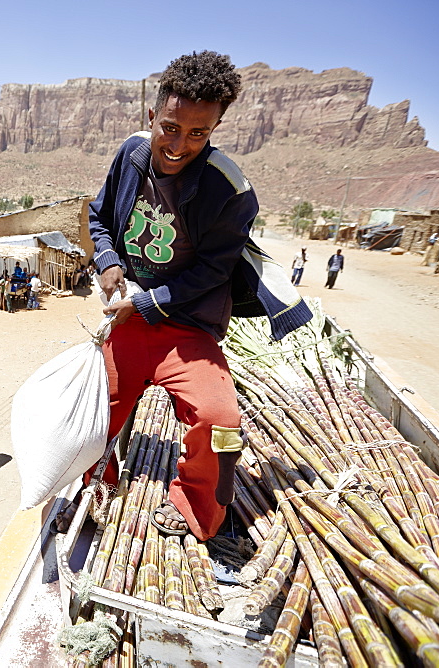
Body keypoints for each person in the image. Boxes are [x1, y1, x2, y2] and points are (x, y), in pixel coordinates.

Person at [75, 51, 309, 541]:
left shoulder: (230, 190)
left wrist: (142, 302)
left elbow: (211, 272)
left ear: (216, 128)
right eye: (170, 127)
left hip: (187, 326)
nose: (179, 145)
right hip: (129, 324)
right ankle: (99, 483)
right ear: (151, 116)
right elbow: (98, 217)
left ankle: (196, 510)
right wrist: (109, 260)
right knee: (95, 410)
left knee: (221, 421)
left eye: (198, 133)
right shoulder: (132, 155)